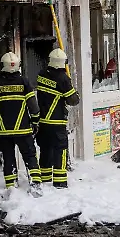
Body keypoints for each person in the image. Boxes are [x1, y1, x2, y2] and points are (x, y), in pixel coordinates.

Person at [0, 51, 42, 191]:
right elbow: (33, 106)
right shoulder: (24, 82)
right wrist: (35, 122)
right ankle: (35, 183)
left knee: (8, 157)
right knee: (30, 156)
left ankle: (11, 186)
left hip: (4, 132)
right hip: (23, 130)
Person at [35, 48, 81, 188]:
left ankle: (45, 177)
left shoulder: (41, 74)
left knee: (45, 149)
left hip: (42, 121)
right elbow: (73, 100)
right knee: (60, 150)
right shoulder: (63, 79)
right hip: (56, 122)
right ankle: (60, 181)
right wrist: (75, 92)